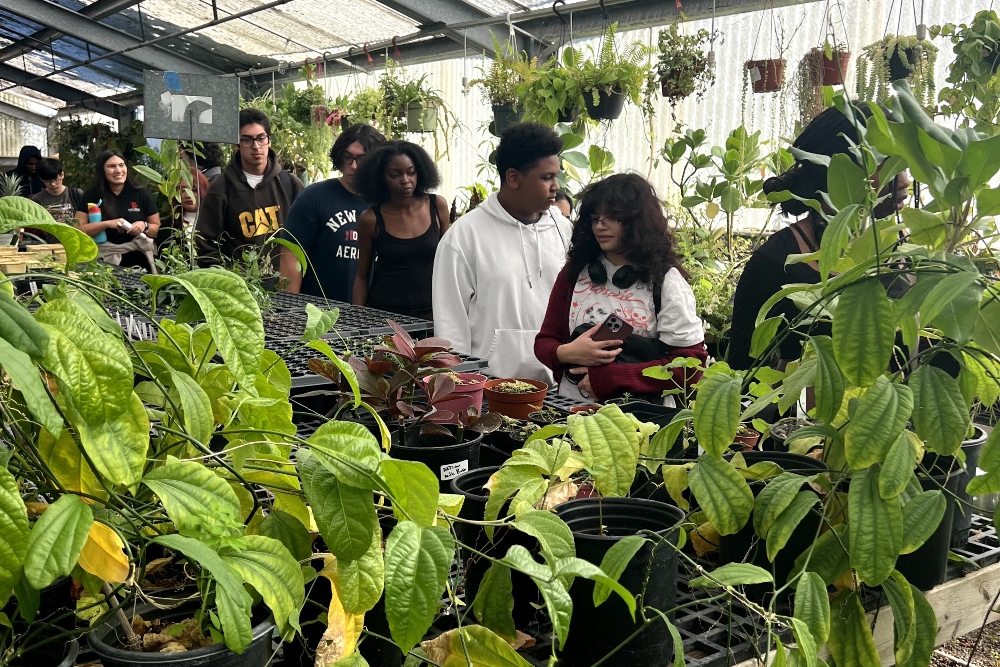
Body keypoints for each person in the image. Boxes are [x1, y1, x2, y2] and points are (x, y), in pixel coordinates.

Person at [728, 106, 911, 371]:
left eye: (903, 163)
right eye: (886, 163)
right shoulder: (775, 263)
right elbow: (743, 374)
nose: (903, 180)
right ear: (839, 168)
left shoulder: (907, 253)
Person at [535, 174, 707, 403]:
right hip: (571, 411)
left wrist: (612, 378)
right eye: (595, 218)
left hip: (640, 421)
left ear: (638, 221)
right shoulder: (573, 274)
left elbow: (691, 366)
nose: (599, 226)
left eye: (612, 218)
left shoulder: (665, 282)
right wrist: (566, 353)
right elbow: (545, 341)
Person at [432, 123, 572, 382]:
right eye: (546, 177)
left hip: (558, 386)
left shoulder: (563, 229)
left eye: (556, 176)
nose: (556, 186)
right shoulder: (464, 236)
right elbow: (450, 321)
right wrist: (463, 384)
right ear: (513, 178)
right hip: (491, 387)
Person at [281, 124, 386, 302]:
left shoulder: (387, 202)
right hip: (320, 315)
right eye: (348, 158)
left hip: (375, 317)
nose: (353, 166)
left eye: (361, 159)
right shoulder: (314, 198)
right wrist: (290, 313)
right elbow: (290, 257)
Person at [352, 141, 449, 320]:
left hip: (432, 314)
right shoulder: (371, 219)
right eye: (395, 174)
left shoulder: (437, 206)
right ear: (381, 177)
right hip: (386, 316)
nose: (405, 180)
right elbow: (362, 275)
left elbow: (450, 264)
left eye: (411, 173)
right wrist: (357, 318)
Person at [195, 109, 303, 268]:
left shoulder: (290, 184)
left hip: (286, 284)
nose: (256, 146)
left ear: (269, 141)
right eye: (247, 140)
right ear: (236, 145)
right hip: (241, 287)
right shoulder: (220, 189)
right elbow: (206, 245)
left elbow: (308, 233)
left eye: (261, 138)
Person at [75, 150, 160, 271]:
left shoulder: (141, 194)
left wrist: (144, 225)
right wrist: (107, 224)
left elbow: (156, 230)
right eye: (112, 166)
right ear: (102, 170)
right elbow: (78, 230)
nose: (118, 170)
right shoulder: (91, 195)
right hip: (102, 261)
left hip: (138, 261)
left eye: (121, 165)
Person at [32, 158, 86, 226]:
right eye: (48, 181)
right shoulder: (37, 199)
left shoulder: (76, 194)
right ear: (41, 179)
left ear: (62, 175)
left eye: (55, 179)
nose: (53, 184)